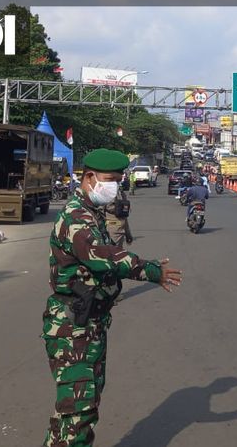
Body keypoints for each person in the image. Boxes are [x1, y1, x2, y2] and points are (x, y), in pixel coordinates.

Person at [42, 148, 182, 447]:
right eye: (110, 179)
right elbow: (103, 257)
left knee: (83, 407)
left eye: (119, 180)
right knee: (77, 410)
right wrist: (150, 270)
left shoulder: (92, 213)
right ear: (89, 178)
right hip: (73, 328)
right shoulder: (77, 218)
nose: (115, 186)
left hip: (89, 323)